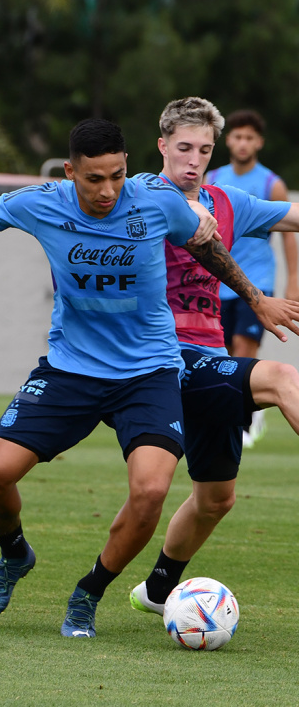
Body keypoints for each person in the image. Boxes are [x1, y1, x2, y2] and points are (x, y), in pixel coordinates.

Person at [0, 119, 298, 638]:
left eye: (117, 175)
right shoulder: (43, 203)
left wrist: (253, 296)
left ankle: (88, 594)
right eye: (93, 179)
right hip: (72, 368)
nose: (108, 190)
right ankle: (15, 555)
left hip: (149, 370)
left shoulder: (157, 202)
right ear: (71, 172)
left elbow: (207, 247)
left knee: (152, 490)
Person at [129, 97, 299, 615]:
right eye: (183, 147)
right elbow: (143, 205)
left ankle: (157, 591)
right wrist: (184, 208)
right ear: (162, 146)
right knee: (280, 377)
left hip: (209, 355)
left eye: (204, 149)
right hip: (162, 358)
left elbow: (292, 217)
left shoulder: (228, 202)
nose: (194, 158)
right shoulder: (135, 193)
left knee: (215, 499)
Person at [207, 109, 299, 446]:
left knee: (245, 348)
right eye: (237, 136)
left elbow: (289, 233)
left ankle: (246, 419)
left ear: (259, 142)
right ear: (227, 140)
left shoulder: (271, 183)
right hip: (219, 281)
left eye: (250, 137)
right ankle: (247, 403)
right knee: (226, 351)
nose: (243, 143)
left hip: (258, 280)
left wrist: (293, 280)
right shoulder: (213, 177)